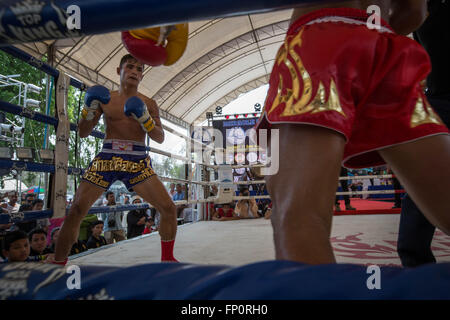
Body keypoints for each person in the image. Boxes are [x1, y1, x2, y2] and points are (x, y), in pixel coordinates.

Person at [256, 1, 450, 264]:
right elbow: (414, 12)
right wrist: (365, 37)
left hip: (318, 38)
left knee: (298, 217)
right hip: (384, 46)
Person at [52, 54, 178, 265]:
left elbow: (160, 138)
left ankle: (168, 260)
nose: (135, 72)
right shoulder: (105, 99)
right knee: (76, 209)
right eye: (130, 67)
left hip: (137, 159)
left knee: (168, 208)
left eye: (139, 69)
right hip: (108, 157)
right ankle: (58, 261)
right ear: (119, 71)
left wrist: (145, 120)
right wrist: (88, 109)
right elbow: (83, 132)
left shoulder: (148, 103)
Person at [397, 0, 450, 268]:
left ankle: (413, 256)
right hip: (437, 100)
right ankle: (414, 260)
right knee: (422, 177)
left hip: (437, 99)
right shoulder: (422, 5)